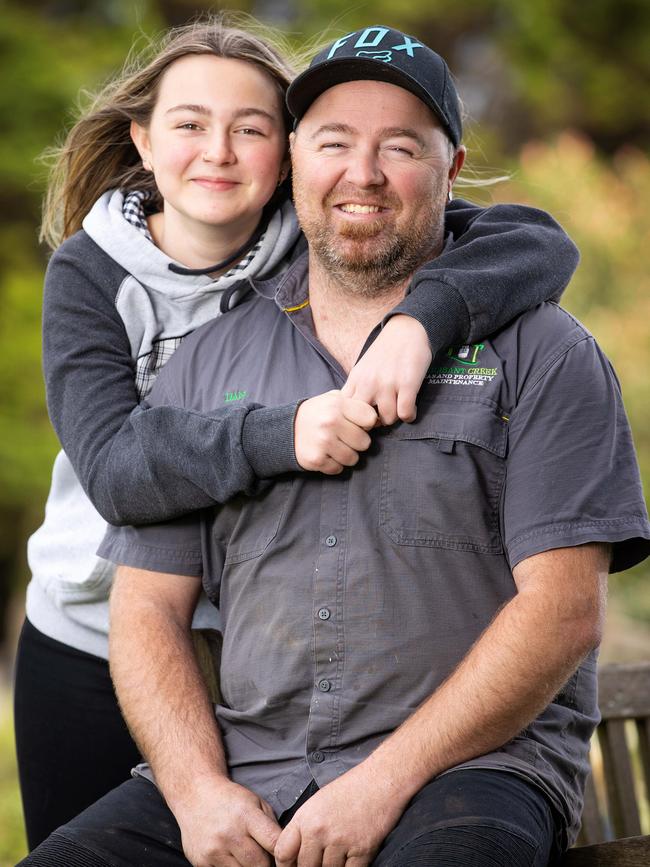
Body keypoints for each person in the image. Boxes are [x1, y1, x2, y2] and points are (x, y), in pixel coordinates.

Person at [14, 16, 588, 858]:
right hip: (88, 620)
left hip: (256, 655)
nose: (218, 151)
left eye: (249, 129)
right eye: (188, 124)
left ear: (279, 156)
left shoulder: (336, 228)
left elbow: (534, 238)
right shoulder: (93, 273)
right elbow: (117, 474)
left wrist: (421, 322)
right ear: (142, 139)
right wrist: (285, 432)